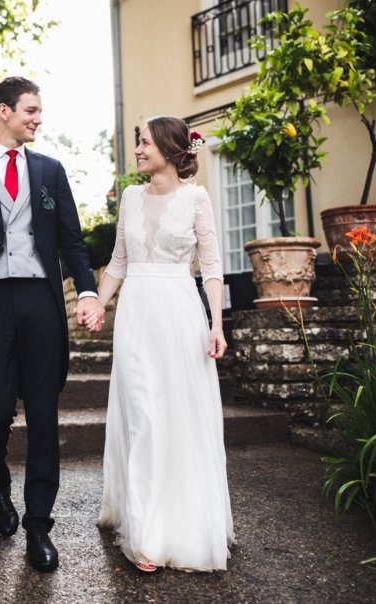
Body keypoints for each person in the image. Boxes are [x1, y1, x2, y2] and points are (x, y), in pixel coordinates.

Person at [0, 76, 100, 572]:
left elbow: (72, 239)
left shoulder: (50, 171)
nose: (38, 118)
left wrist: (88, 290)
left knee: (45, 414)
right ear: (4, 111)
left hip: (39, 301)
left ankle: (38, 526)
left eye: (39, 110)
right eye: (30, 110)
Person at [87, 116, 235, 573]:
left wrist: (217, 324)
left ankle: (177, 523)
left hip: (180, 314)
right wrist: (98, 303)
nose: (137, 150)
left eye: (144, 142)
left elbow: (210, 266)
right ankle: (146, 531)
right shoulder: (130, 198)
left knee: (178, 417)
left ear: (171, 150)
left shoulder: (196, 198)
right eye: (137, 143)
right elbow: (118, 262)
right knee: (143, 416)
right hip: (135, 316)